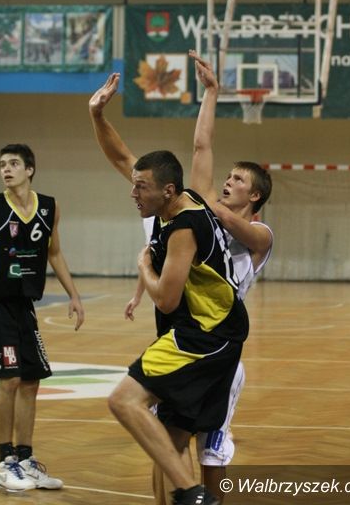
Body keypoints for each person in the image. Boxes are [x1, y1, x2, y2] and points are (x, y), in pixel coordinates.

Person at [89, 79, 249, 505]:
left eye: (140, 187)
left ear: (167, 190)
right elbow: (122, 156)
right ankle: (188, 494)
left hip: (203, 338)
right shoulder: (178, 199)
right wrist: (97, 115)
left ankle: (195, 494)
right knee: (170, 441)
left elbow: (166, 299)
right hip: (215, 337)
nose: (132, 192)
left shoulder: (182, 228)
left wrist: (143, 268)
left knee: (124, 401)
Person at [127, 51, 273, 503]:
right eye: (226, 177)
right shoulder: (201, 212)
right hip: (191, 335)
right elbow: (201, 148)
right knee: (168, 444)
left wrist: (204, 203)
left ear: (256, 195)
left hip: (222, 346)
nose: (227, 182)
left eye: (238, 180)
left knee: (212, 451)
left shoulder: (259, 234)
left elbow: (227, 219)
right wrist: (211, 93)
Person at [0, 143, 85, 493]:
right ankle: (5, 462)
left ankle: (25, 460)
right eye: (1, 164)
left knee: (31, 382)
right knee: (9, 380)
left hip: (25, 305)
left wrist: (74, 294)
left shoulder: (49, 207)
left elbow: (55, 252)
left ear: (30, 169)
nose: (6, 169)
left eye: (13, 163)